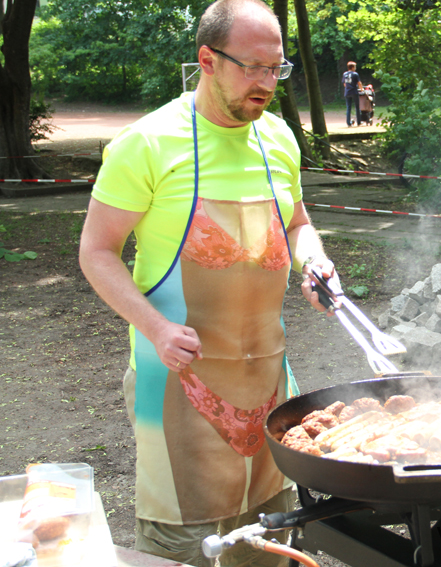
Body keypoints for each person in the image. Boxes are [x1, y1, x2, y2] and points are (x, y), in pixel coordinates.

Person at [78, 1, 338, 565]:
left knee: (273, 542)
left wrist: (314, 260)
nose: (267, 84)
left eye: (278, 69)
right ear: (207, 60)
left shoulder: (279, 139)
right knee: (188, 548)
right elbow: (96, 252)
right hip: (176, 385)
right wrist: (156, 327)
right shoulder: (146, 144)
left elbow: (297, 223)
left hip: (270, 382)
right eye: (253, 68)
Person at [343, 61, 363, 126]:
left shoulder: (344, 74)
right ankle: (359, 122)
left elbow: (344, 84)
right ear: (352, 67)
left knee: (348, 107)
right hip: (354, 92)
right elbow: (359, 83)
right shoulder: (355, 74)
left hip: (347, 92)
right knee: (357, 107)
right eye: (355, 66)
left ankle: (348, 122)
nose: (355, 68)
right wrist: (362, 89)